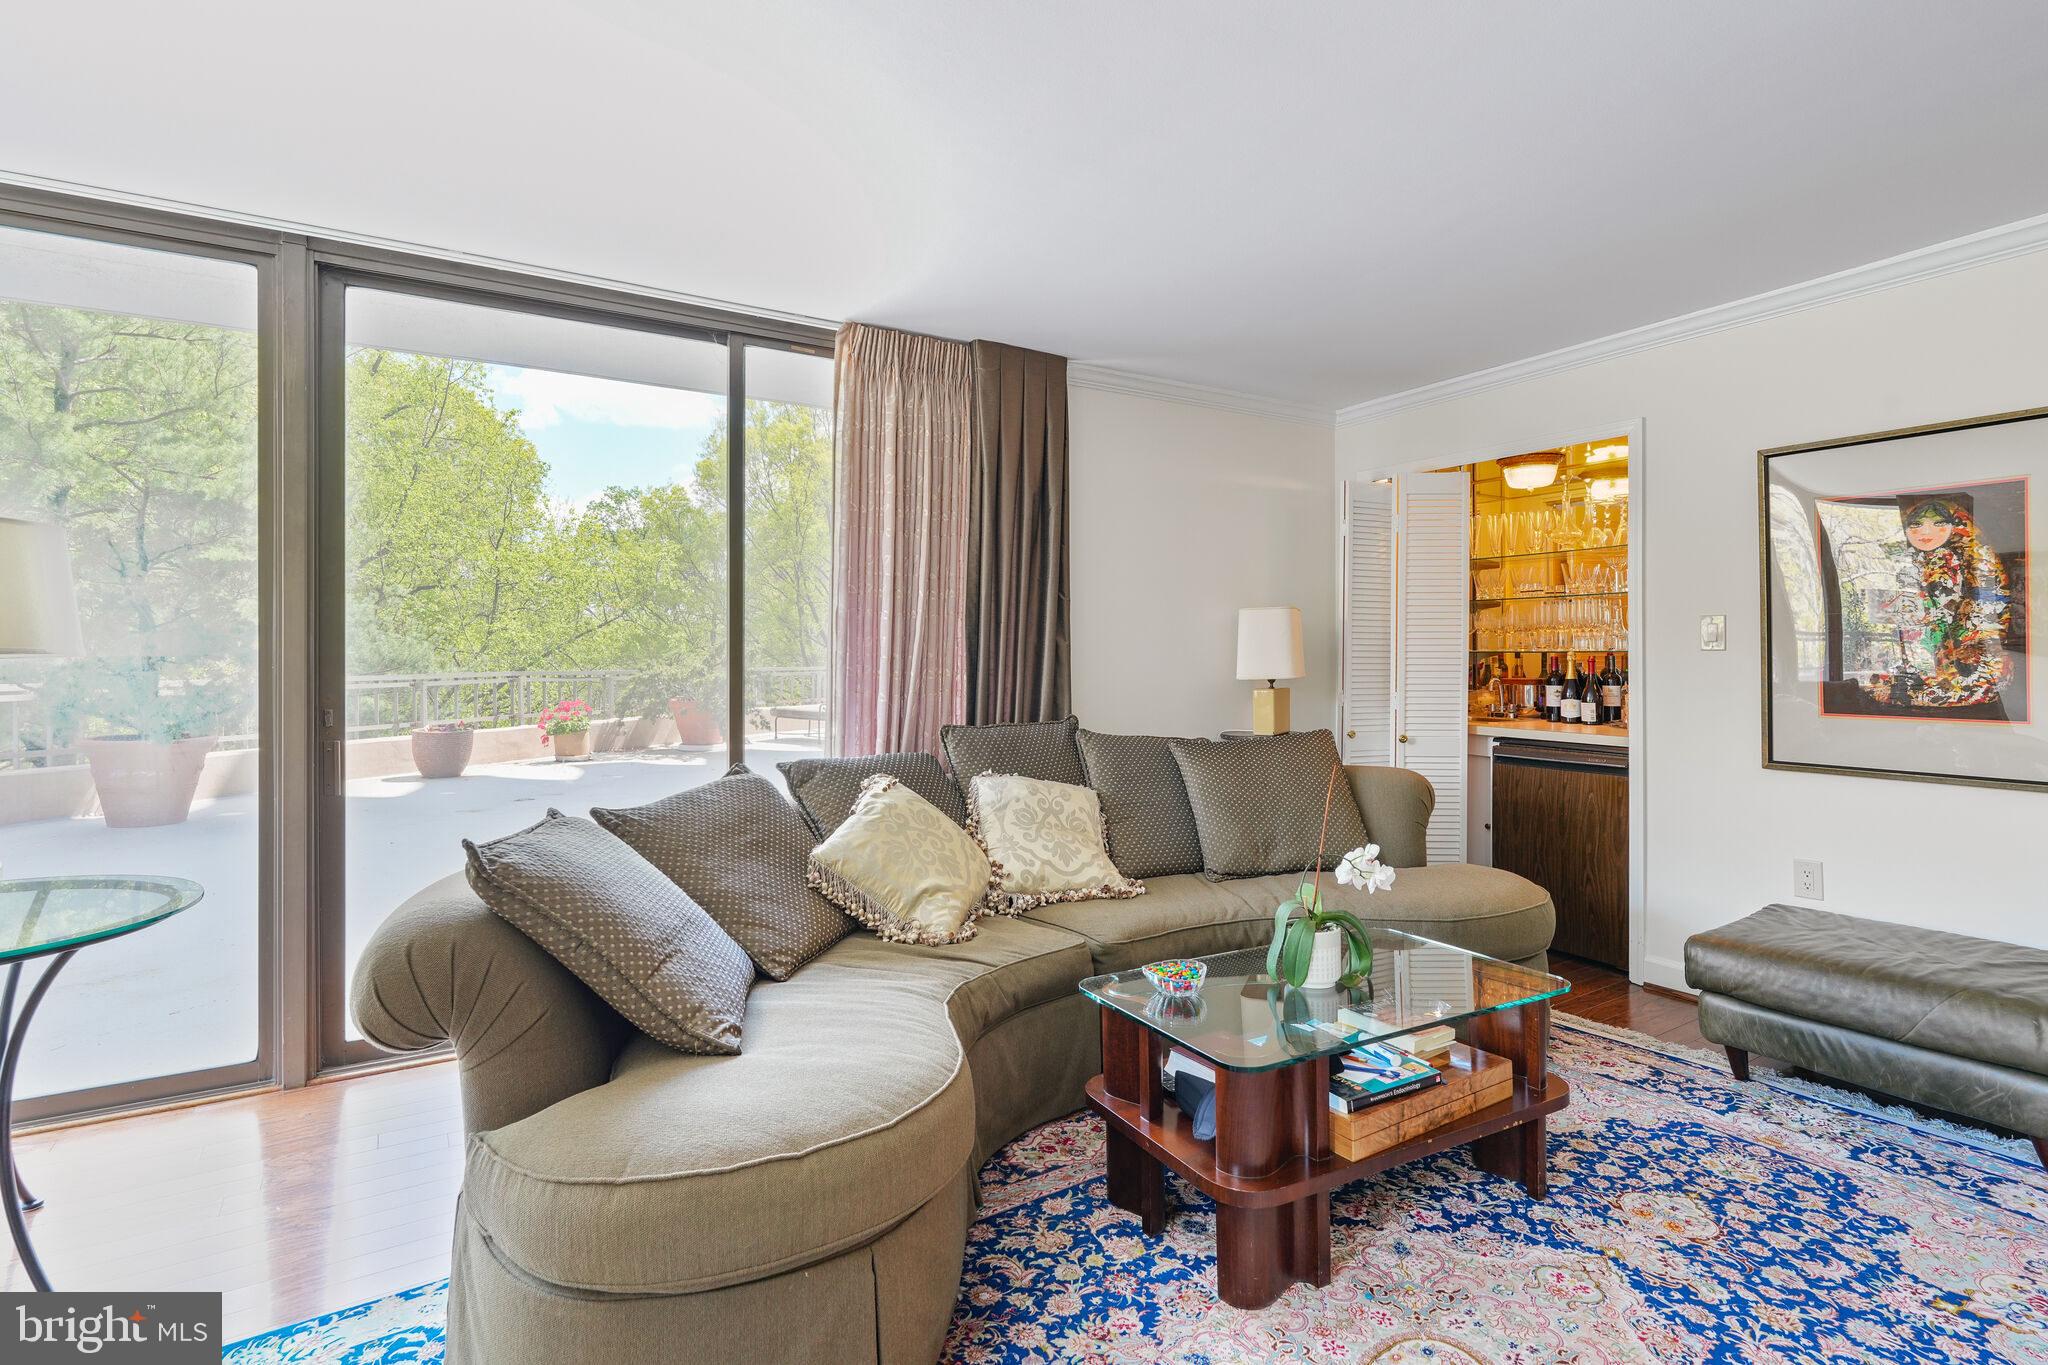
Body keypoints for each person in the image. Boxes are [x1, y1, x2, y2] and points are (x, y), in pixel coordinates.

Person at [1863, 494, 2013, 710]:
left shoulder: (1966, 559)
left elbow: (1982, 605)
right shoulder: (1912, 561)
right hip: (1934, 646)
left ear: (1953, 525)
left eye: (1938, 523)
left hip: (1964, 642)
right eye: (1916, 524)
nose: (1925, 531)